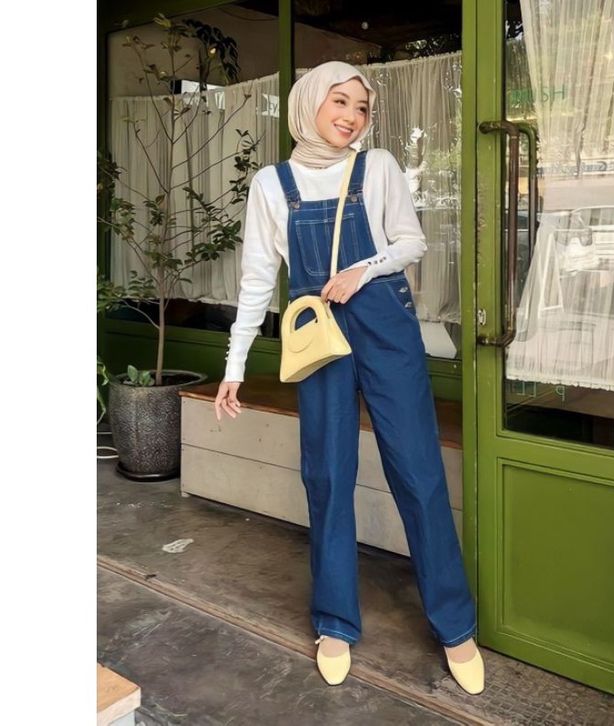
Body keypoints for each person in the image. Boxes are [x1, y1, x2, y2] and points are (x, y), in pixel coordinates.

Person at [214, 61, 484, 695]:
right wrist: (233, 366)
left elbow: (411, 242)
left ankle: (455, 624)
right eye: (339, 102)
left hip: (385, 325)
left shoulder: (378, 166)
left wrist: (363, 269)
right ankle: (335, 621)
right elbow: (257, 278)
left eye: (361, 108)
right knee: (328, 474)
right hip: (319, 335)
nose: (351, 117)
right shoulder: (271, 184)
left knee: (418, 471)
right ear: (309, 103)